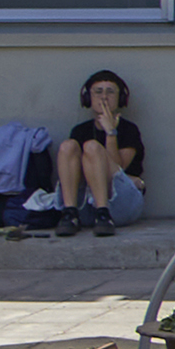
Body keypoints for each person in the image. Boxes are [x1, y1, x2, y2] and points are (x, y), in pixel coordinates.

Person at [54, 71, 150, 234]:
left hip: (119, 205)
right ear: (88, 98)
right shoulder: (80, 131)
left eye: (110, 92)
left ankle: (103, 213)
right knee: (68, 146)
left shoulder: (129, 130)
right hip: (86, 204)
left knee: (92, 147)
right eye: (98, 92)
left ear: (120, 99)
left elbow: (118, 172)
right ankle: (69, 213)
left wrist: (111, 132)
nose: (104, 97)